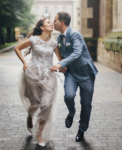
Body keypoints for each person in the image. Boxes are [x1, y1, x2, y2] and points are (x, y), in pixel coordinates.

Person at [14, 18, 67, 147]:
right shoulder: (33, 40)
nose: (51, 24)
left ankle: (39, 133)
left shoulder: (54, 43)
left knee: (47, 104)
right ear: (42, 27)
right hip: (33, 73)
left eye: (51, 22)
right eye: (48, 22)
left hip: (49, 75)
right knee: (35, 103)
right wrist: (25, 62)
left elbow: (60, 60)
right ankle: (30, 116)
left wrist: (61, 66)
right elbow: (17, 48)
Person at [51, 12, 98, 142]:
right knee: (69, 96)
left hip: (86, 74)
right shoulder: (59, 38)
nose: (53, 23)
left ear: (61, 22)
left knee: (86, 104)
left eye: (54, 20)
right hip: (71, 73)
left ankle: (82, 130)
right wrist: (63, 66)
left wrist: (60, 64)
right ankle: (71, 113)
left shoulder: (75, 34)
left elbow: (77, 52)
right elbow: (64, 54)